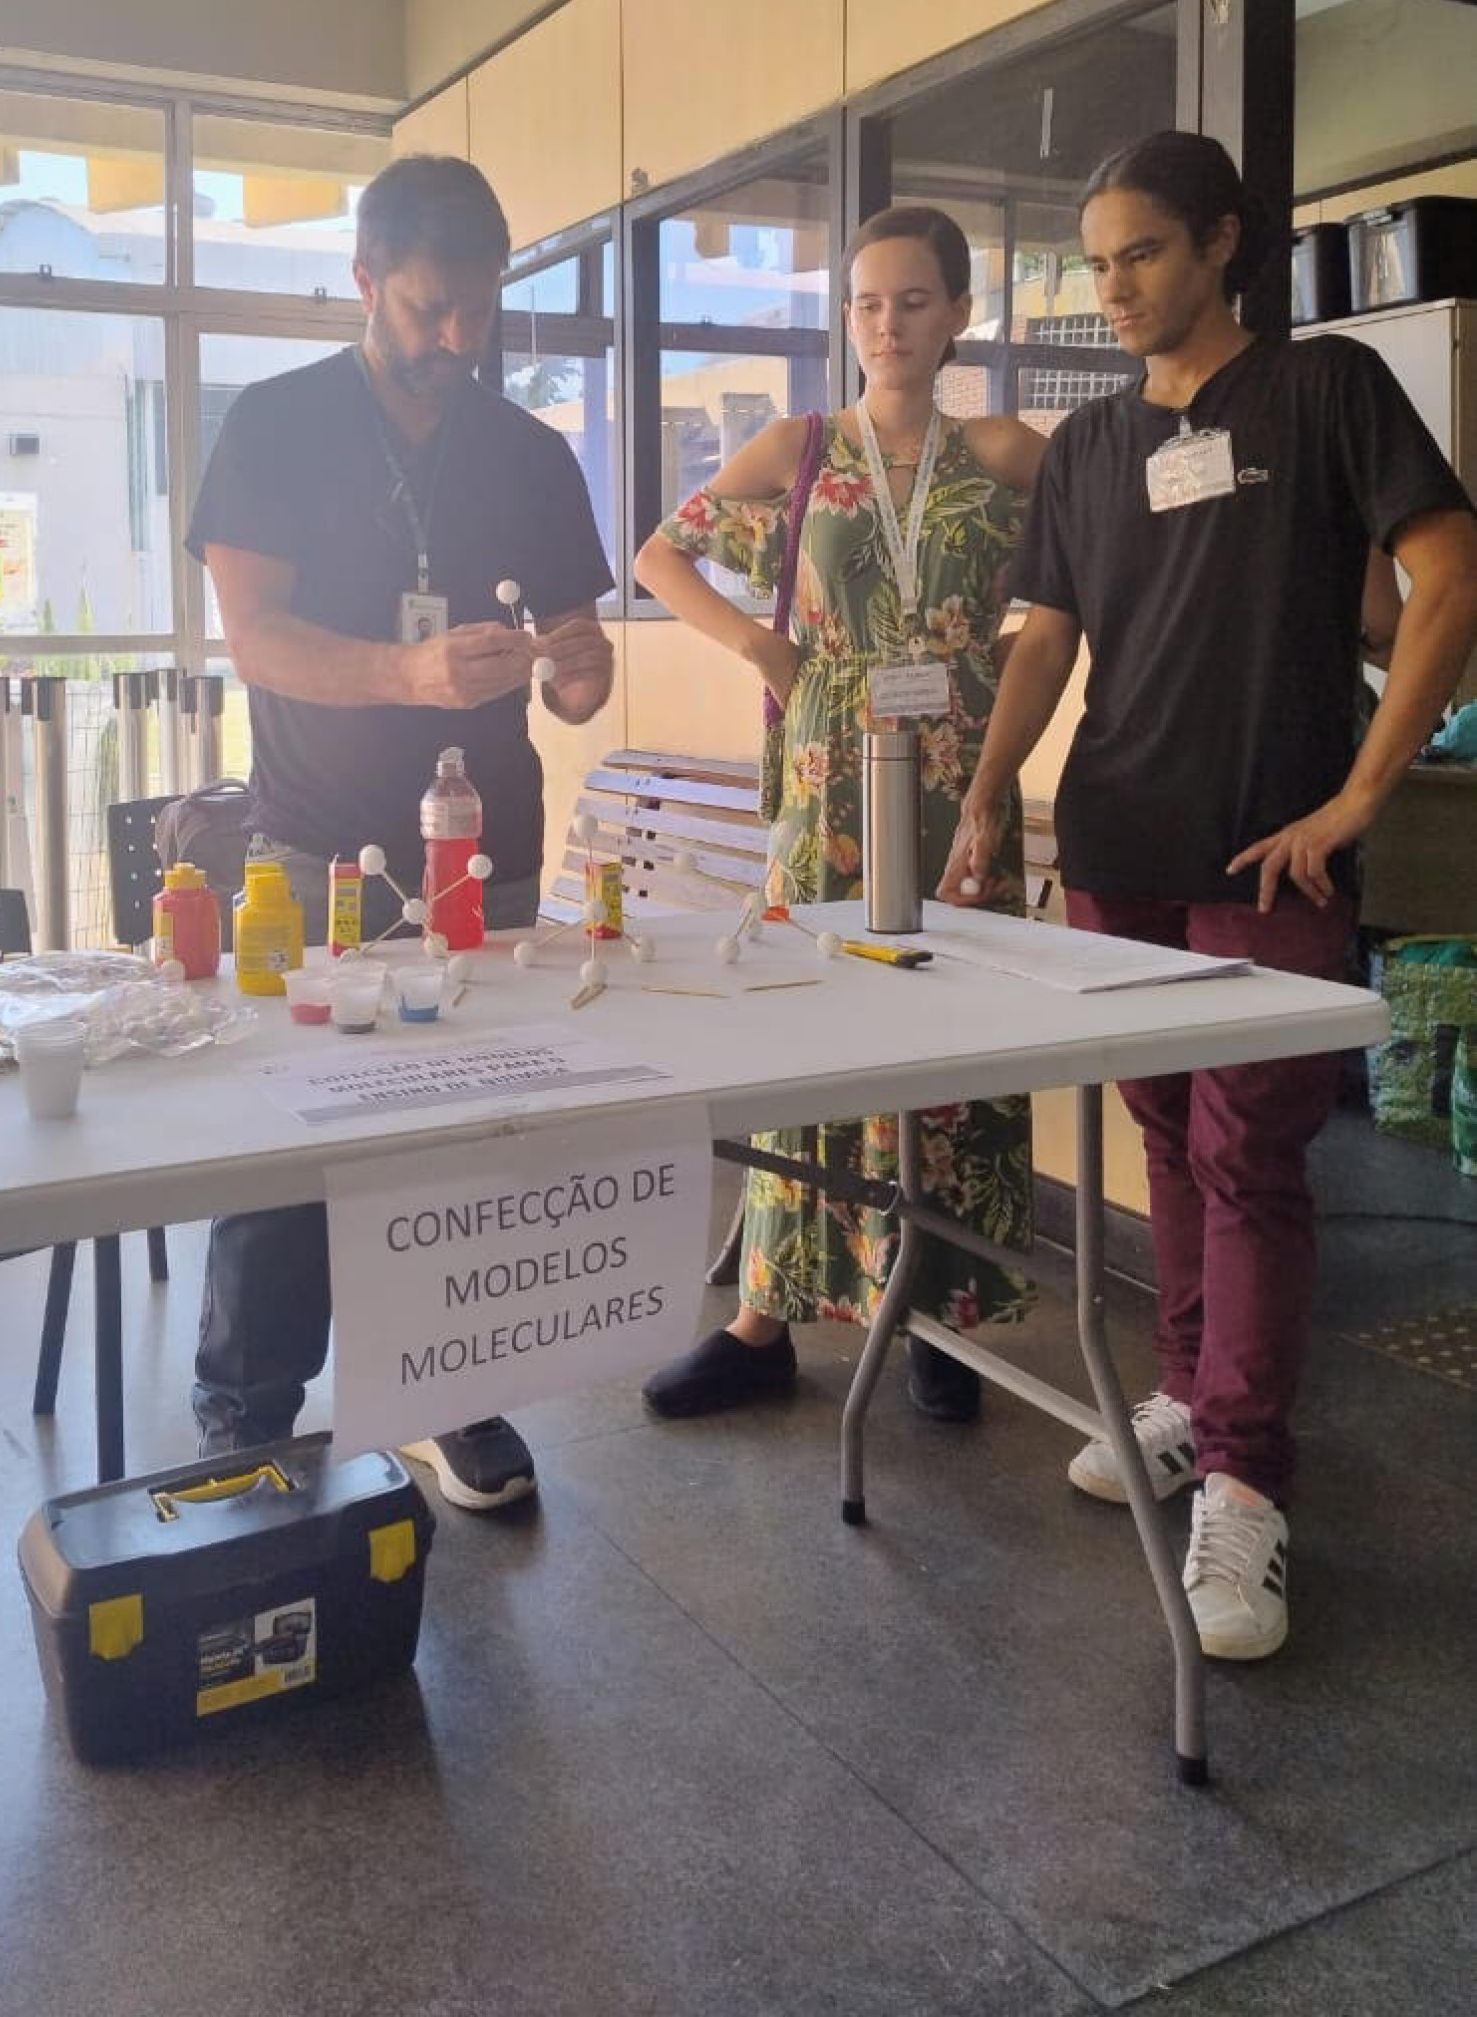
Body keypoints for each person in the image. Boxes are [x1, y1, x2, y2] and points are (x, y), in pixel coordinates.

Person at [940, 130, 1477, 1660]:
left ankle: (1246, 1479)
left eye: (1144, 256)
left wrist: (1366, 791)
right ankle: (1184, 1395)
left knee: (1253, 1155)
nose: (1115, 289)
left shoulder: (1325, 396)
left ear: (1223, 245)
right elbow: (1045, 640)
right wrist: (990, 797)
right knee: (1166, 1133)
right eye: (1097, 264)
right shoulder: (1093, 446)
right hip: (1117, 844)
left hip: (1267, 847)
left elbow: (1447, 575)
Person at [186, 153, 614, 1509]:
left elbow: (582, 648)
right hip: (315, 842)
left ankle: (451, 1390)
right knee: (289, 1139)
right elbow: (254, 639)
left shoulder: (530, 452)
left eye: (478, 310)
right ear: (365, 281)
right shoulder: (275, 422)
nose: (455, 339)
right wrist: (411, 673)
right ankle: (248, 1416)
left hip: (485, 853)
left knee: (472, 1133)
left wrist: (579, 670)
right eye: (428, 309)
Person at [636, 206, 1045, 1425]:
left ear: (959, 314)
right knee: (812, 1035)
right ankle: (766, 1316)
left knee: (955, 1042)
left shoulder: (1008, 451)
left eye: (914, 299)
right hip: (830, 784)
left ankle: (935, 1310)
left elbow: (1076, 593)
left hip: (962, 776)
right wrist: (767, 648)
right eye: (866, 301)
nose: (887, 322)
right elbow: (662, 553)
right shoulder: (801, 443)